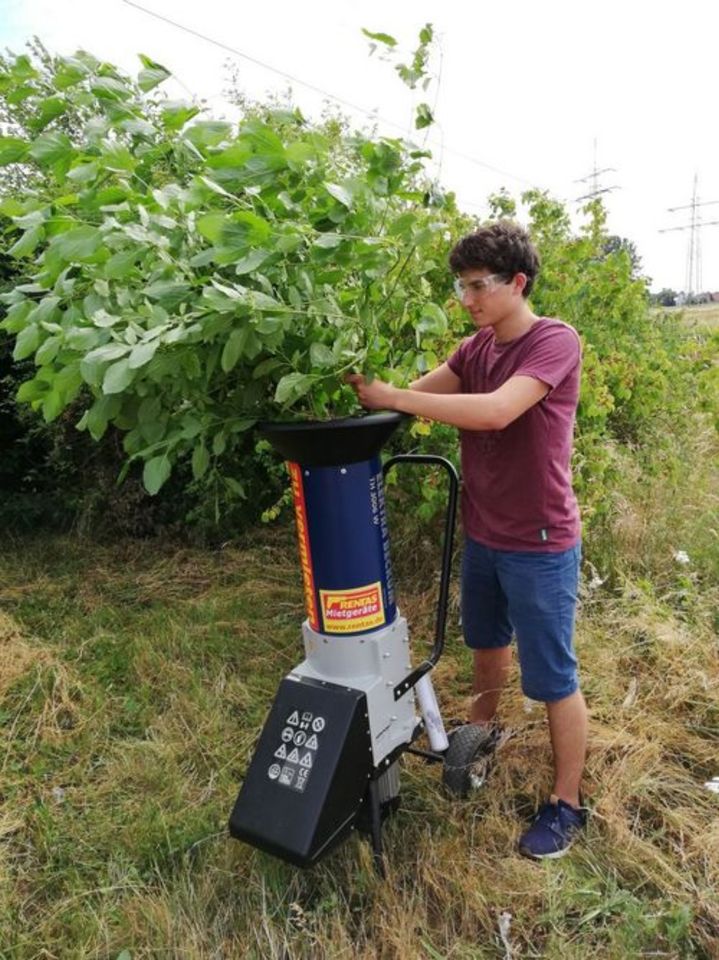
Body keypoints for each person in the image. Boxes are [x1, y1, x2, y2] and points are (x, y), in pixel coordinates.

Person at [346, 220, 588, 859]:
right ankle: (481, 731)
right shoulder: (474, 348)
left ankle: (567, 804)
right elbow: (410, 402)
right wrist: (355, 405)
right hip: (485, 532)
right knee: (484, 640)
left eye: (479, 286)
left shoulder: (553, 342)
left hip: (540, 541)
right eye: (461, 286)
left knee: (554, 677)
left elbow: (497, 410)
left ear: (518, 282)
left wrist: (395, 395)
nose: (469, 298)